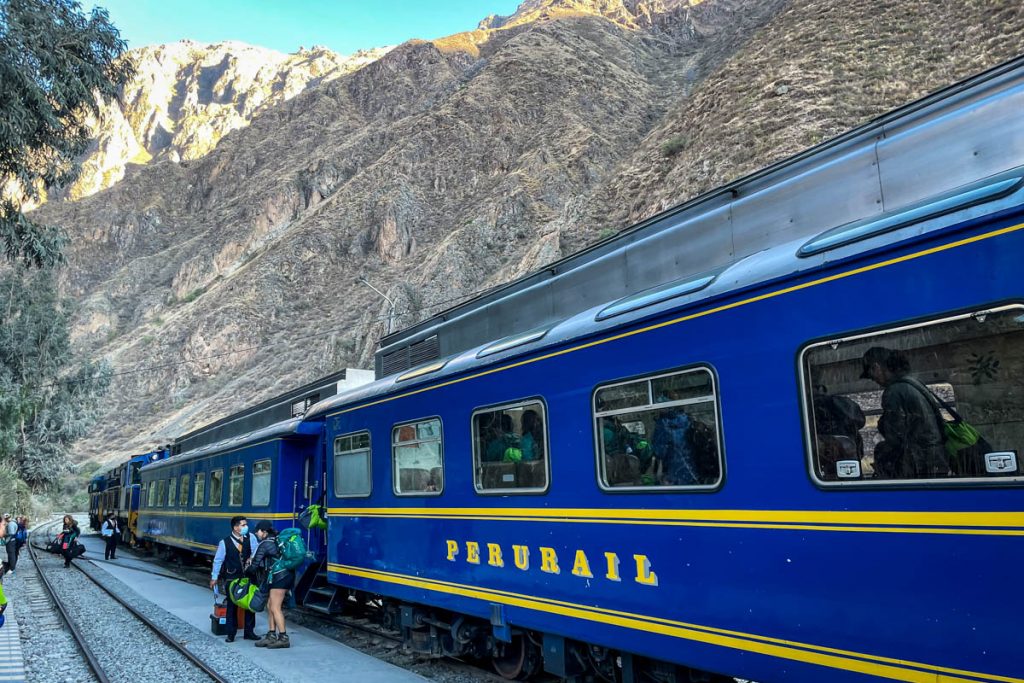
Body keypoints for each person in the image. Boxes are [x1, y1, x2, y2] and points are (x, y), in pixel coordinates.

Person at [860, 347, 949, 479]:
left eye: (872, 376)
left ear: (876, 367)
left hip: (918, 465)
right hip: (936, 459)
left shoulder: (894, 391)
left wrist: (882, 424)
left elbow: (896, 435)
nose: (874, 381)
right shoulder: (914, 383)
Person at [211, 515, 258, 642]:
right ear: (236, 528)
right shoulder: (224, 542)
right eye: (243, 525)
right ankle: (231, 633)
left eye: (245, 524)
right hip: (232, 577)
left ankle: (249, 631)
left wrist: (251, 559)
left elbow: (256, 551)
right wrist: (214, 577)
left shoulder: (251, 538)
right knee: (232, 606)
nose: (246, 527)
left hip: (248, 576)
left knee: (249, 603)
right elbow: (218, 560)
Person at [248, 521, 291, 648]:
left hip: (279, 577)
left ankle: (283, 638)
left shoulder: (266, 544)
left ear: (264, 532)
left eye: (258, 531)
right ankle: (271, 635)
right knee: (270, 605)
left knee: (275, 607)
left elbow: (255, 564)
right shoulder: (277, 540)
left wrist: (246, 571)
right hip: (282, 575)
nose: (256, 533)